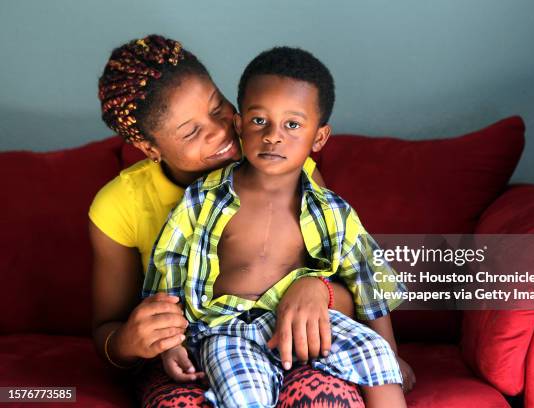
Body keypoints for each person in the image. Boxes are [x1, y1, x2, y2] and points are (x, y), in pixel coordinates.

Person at [90, 34, 372, 407]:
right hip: (192, 360)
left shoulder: (285, 167)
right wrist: (129, 340)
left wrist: (321, 288)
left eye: (217, 106)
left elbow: (357, 275)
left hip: (288, 344)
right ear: (150, 148)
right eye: (191, 132)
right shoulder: (118, 206)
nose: (222, 131)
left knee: (326, 399)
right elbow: (106, 331)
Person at [143, 46, 414, 407]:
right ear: (239, 124)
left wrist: (391, 351)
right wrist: (172, 344)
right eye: (259, 121)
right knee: (242, 394)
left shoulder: (331, 210)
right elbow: (169, 269)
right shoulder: (203, 198)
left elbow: (368, 280)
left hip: (303, 325)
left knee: (374, 355)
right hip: (227, 328)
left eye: (292, 125)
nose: (273, 135)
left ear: (319, 138)